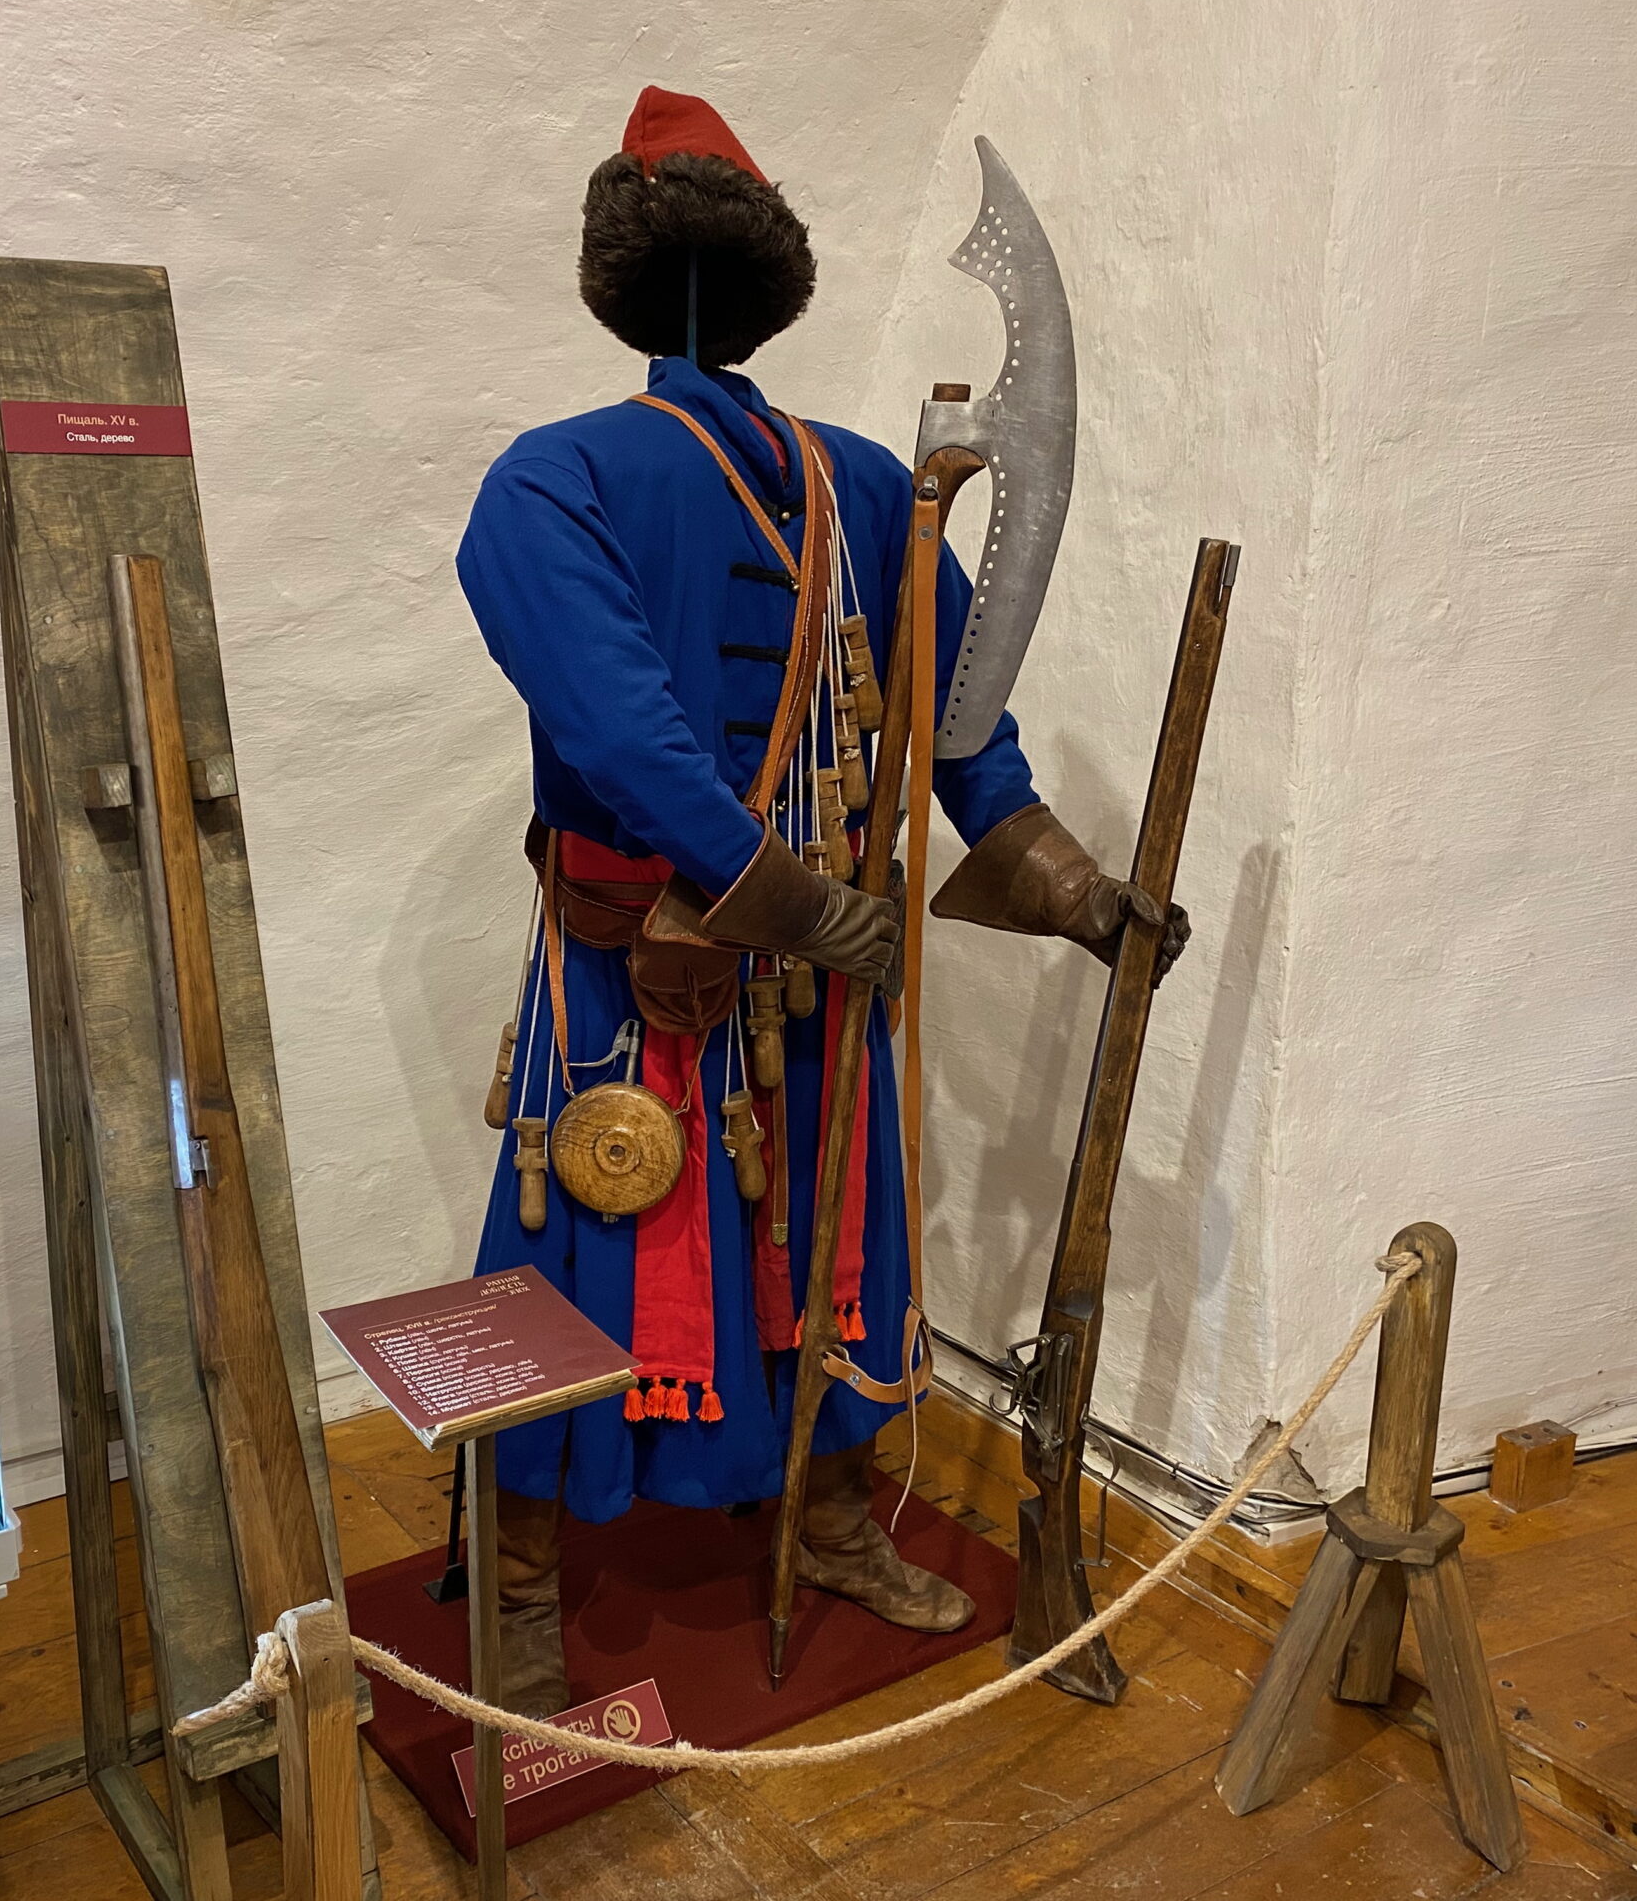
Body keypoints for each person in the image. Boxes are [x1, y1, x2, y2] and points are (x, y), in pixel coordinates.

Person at [456, 87, 1190, 1715]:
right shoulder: (560, 486)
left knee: (838, 1247)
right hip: (641, 978)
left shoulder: (865, 489)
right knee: (582, 1248)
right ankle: (519, 1580)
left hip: (822, 975)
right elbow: (622, 733)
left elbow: (956, 730)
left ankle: (836, 1521)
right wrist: (795, 902)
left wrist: (1076, 890)